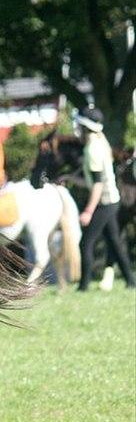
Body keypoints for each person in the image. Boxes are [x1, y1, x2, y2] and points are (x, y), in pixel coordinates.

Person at [74, 109, 135, 291]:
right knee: (114, 242)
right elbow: (94, 181)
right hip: (112, 200)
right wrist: (72, 180)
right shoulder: (100, 143)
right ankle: (131, 281)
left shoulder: (92, 149)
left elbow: (98, 185)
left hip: (105, 203)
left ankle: (83, 287)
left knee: (85, 243)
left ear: (85, 126)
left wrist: (88, 211)